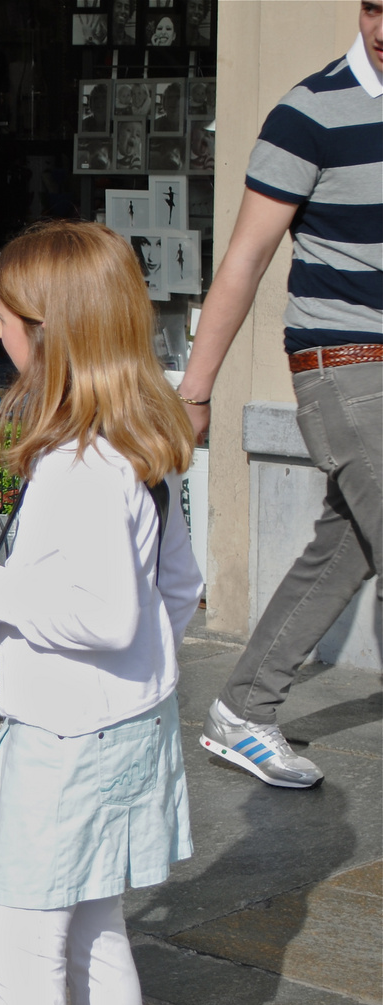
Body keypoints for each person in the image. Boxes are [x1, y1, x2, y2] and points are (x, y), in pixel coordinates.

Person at [0, 220, 204, 1005]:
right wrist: (138, 679)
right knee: (95, 933)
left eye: (7, 316)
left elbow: (101, 617)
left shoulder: (78, 464)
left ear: (50, 335)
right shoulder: (142, 446)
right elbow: (177, 591)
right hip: (124, 728)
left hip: (66, 742)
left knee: (21, 947)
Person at [173, 2, 382, 788]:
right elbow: (244, 257)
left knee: (350, 544)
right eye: (372, 7)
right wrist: (196, 390)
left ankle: (241, 710)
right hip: (343, 359)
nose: (381, 26)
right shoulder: (307, 112)